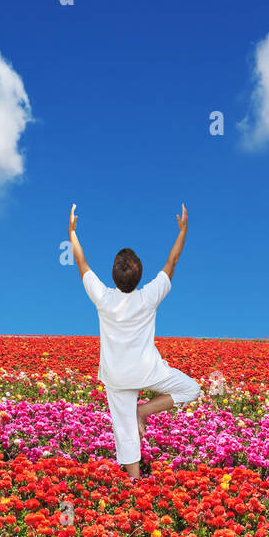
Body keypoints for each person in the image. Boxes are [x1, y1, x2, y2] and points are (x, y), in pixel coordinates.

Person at [68, 202, 201, 480]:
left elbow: (82, 264)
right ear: (140, 276)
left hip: (116, 376)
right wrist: (183, 231)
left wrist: (72, 233)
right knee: (191, 389)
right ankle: (144, 411)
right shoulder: (148, 297)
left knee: (124, 428)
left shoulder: (103, 298)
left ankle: (135, 480)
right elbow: (171, 263)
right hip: (148, 371)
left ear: (114, 277)